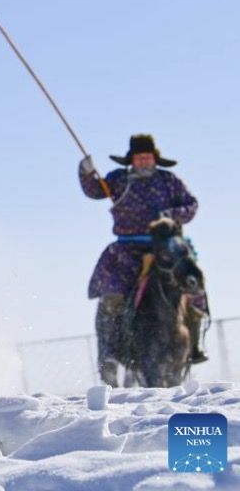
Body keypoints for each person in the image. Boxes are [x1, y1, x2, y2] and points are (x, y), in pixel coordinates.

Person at [79, 134, 204, 386]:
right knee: (112, 296)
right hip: (126, 250)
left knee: (194, 288)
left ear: (154, 159)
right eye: (139, 158)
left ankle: (193, 346)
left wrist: (171, 214)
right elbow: (95, 190)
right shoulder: (119, 180)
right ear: (132, 160)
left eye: (148, 157)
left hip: (166, 247)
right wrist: (86, 173)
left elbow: (191, 205)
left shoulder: (169, 181)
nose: (144, 161)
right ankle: (110, 355)